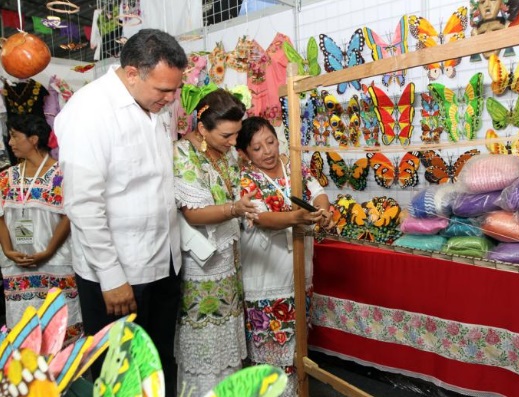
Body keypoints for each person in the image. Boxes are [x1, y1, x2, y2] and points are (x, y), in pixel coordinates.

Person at [54, 29, 187, 397]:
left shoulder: (155, 102)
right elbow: (83, 204)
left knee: (158, 365)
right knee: (120, 374)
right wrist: (111, 277)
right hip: (118, 274)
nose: (172, 98)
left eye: (175, 89)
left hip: (164, 262)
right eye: (164, 90)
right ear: (132, 73)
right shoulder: (89, 111)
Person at [235, 116, 333, 396]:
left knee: (297, 343)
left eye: (270, 141)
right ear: (244, 154)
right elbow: (261, 217)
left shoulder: (294, 168)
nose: (267, 151)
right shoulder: (246, 179)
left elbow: (319, 193)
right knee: (269, 349)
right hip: (267, 273)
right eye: (256, 148)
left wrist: (322, 211)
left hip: (299, 268)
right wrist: (298, 217)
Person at [173, 87, 260, 394]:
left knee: (227, 331)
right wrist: (234, 208)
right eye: (226, 135)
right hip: (201, 264)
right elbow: (193, 214)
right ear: (202, 128)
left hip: (230, 256)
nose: (234, 142)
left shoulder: (226, 154)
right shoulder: (183, 154)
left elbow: (238, 190)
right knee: (206, 337)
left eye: (236, 134)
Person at [0, 115, 82, 340]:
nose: (10, 143)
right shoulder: (6, 177)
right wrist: (7, 251)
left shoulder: (61, 175)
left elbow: (69, 216)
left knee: (60, 329)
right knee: (23, 332)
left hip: (56, 264)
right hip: (17, 267)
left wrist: (48, 251)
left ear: (34, 139)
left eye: (15, 136)